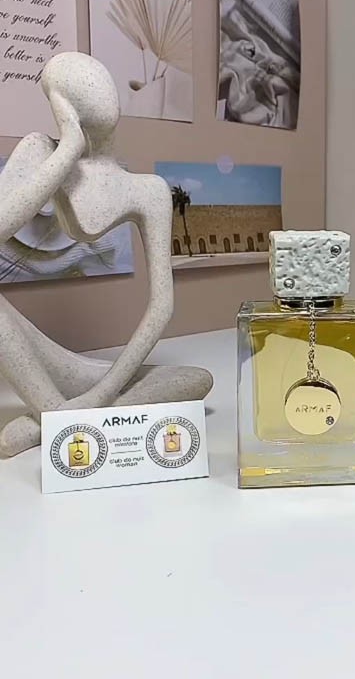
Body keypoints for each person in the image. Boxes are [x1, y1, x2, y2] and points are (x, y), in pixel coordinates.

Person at [0, 52, 211, 457]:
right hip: (52, 361)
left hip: (93, 378)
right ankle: (53, 412)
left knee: (197, 380)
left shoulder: (148, 190)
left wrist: (99, 395)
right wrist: (68, 150)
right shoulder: (41, 152)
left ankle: (54, 419)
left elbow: (162, 306)